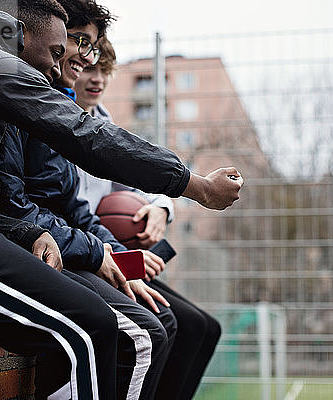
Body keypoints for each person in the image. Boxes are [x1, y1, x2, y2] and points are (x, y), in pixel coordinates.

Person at [0, 1, 242, 400]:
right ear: (19, 37)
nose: (56, 67)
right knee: (97, 330)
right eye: (55, 53)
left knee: (97, 323)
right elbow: (86, 136)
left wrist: (28, 233)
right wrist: (194, 184)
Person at [0, 1, 177, 398]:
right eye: (79, 45)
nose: (87, 61)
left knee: (165, 322)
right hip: (34, 247)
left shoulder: (61, 108)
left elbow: (75, 207)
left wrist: (118, 254)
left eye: (95, 52)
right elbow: (13, 206)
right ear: (47, 39)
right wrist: (99, 252)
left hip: (67, 244)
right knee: (144, 335)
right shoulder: (17, 102)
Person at [74, 38, 222, 400]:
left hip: (107, 247)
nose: (98, 79)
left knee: (207, 327)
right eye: (90, 68)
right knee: (168, 325)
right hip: (88, 251)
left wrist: (161, 208)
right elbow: (67, 208)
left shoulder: (103, 125)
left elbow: (138, 186)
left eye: (105, 71)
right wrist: (114, 252)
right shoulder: (59, 126)